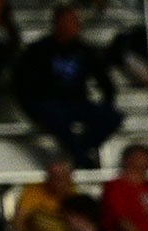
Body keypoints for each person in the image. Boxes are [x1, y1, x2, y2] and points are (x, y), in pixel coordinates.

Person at [13, 4, 122, 169]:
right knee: (52, 115)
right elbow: (21, 84)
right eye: (67, 22)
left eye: (74, 22)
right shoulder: (38, 51)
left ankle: (79, 152)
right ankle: (80, 157)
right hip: (48, 103)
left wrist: (107, 103)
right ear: (57, 24)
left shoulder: (86, 51)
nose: (72, 26)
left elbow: (106, 83)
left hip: (77, 103)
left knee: (113, 116)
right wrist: (32, 111)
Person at [12, 159, 79, 231]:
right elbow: (18, 229)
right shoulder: (33, 192)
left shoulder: (76, 196)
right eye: (53, 176)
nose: (56, 181)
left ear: (70, 177)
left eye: (61, 176)